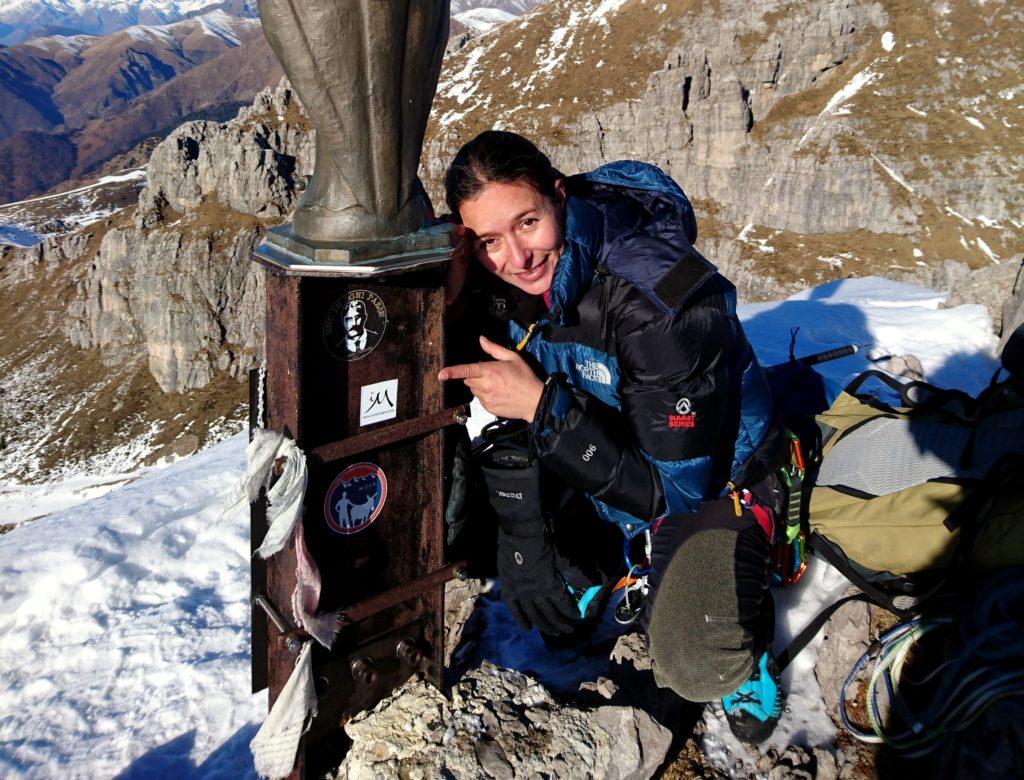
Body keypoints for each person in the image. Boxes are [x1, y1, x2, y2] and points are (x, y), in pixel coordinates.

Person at [438, 130, 788, 744]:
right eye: (489, 241)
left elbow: (672, 493)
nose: (517, 258)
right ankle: (611, 561)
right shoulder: (505, 280)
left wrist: (543, 409)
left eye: (527, 223)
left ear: (557, 194)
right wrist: (451, 288)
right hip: (610, 449)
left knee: (692, 660)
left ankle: (745, 626)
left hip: (711, 478)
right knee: (478, 521)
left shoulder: (659, 303)